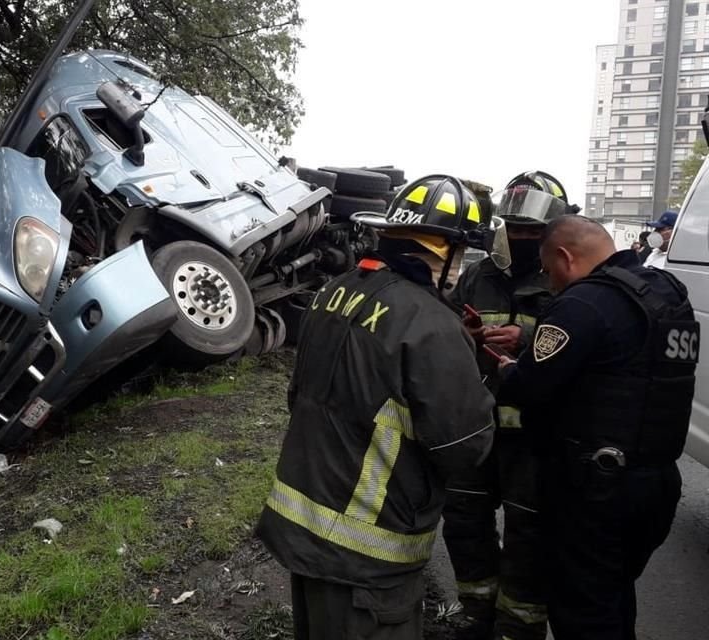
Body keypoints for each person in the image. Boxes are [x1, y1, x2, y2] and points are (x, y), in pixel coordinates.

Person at [256, 175, 498, 640]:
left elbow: (303, 396)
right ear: (446, 250)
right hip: (367, 561)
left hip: (305, 535)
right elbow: (465, 447)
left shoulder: (333, 293)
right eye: (462, 253)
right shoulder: (432, 325)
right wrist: (475, 371)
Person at [497, 216, 698, 640]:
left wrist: (509, 369)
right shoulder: (667, 293)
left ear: (564, 257)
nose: (550, 281)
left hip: (595, 490)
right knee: (613, 597)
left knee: (582, 613)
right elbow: (621, 359)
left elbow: (529, 387)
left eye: (549, 269)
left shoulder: (579, 303)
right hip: (657, 482)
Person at [443, 170, 572, 640]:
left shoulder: (566, 279)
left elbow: (580, 348)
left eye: (532, 232)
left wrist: (530, 337)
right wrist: (467, 334)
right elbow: (446, 329)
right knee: (463, 523)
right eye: (513, 229)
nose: (520, 239)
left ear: (552, 232)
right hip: (477, 429)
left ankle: (517, 628)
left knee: (529, 536)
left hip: (536, 439)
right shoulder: (478, 275)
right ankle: (476, 614)